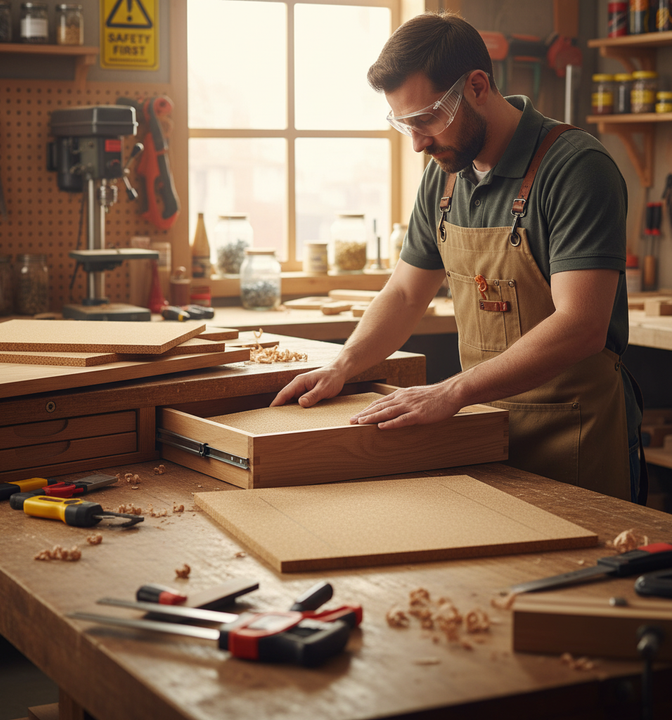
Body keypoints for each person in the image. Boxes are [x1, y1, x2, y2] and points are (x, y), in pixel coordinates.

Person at [272, 11, 644, 504]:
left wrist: (451, 392)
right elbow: (405, 293)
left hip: (574, 434)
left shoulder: (576, 169)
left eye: (427, 118)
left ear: (476, 86)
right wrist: (345, 365)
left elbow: (581, 324)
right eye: (404, 123)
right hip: (481, 426)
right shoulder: (445, 174)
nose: (418, 143)